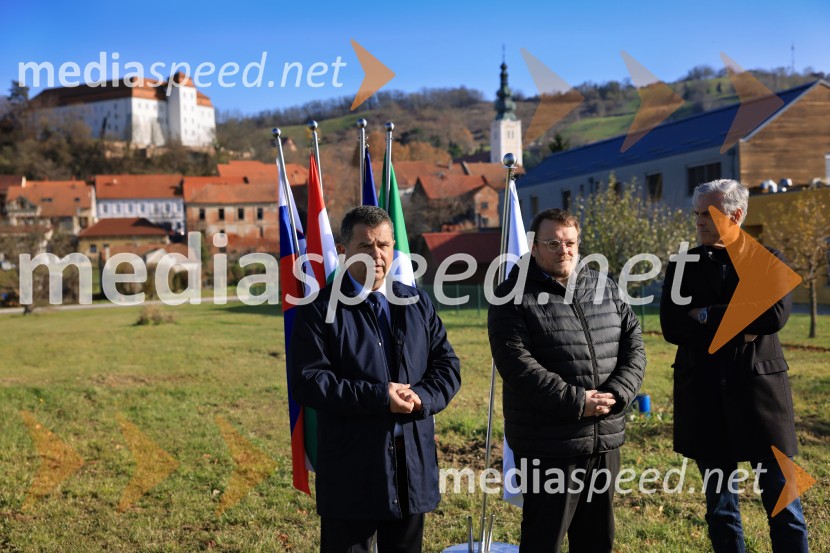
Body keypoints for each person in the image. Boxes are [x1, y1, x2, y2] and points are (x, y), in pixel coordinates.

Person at [289, 205, 461, 553]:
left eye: (383, 245)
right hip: (353, 468)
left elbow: (447, 366)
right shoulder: (318, 311)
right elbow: (310, 382)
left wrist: (422, 398)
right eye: (365, 246)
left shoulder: (416, 303)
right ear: (343, 251)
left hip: (411, 463)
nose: (377, 255)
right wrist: (381, 396)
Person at [660, 179, 809, 552]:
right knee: (720, 509)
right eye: (695, 214)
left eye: (707, 215)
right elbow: (672, 326)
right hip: (705, 397)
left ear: (736, 215)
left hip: (761, 400)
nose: (698, 223)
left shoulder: (768, 260)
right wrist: (740, 323)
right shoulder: (683, 266)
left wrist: (705, 314)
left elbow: (773, 316)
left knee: (784, 505)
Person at [488, 208, 646, 553]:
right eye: (553, 243)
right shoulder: (511, 296)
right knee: (544, 539)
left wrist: (617, 393)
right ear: (533, 246)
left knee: (597, 539)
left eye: (570, 243)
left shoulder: (604, 286)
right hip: (549, 444)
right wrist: (577, 402)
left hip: (604, 438)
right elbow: (518, 365)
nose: (564, 251)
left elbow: (634, 344)